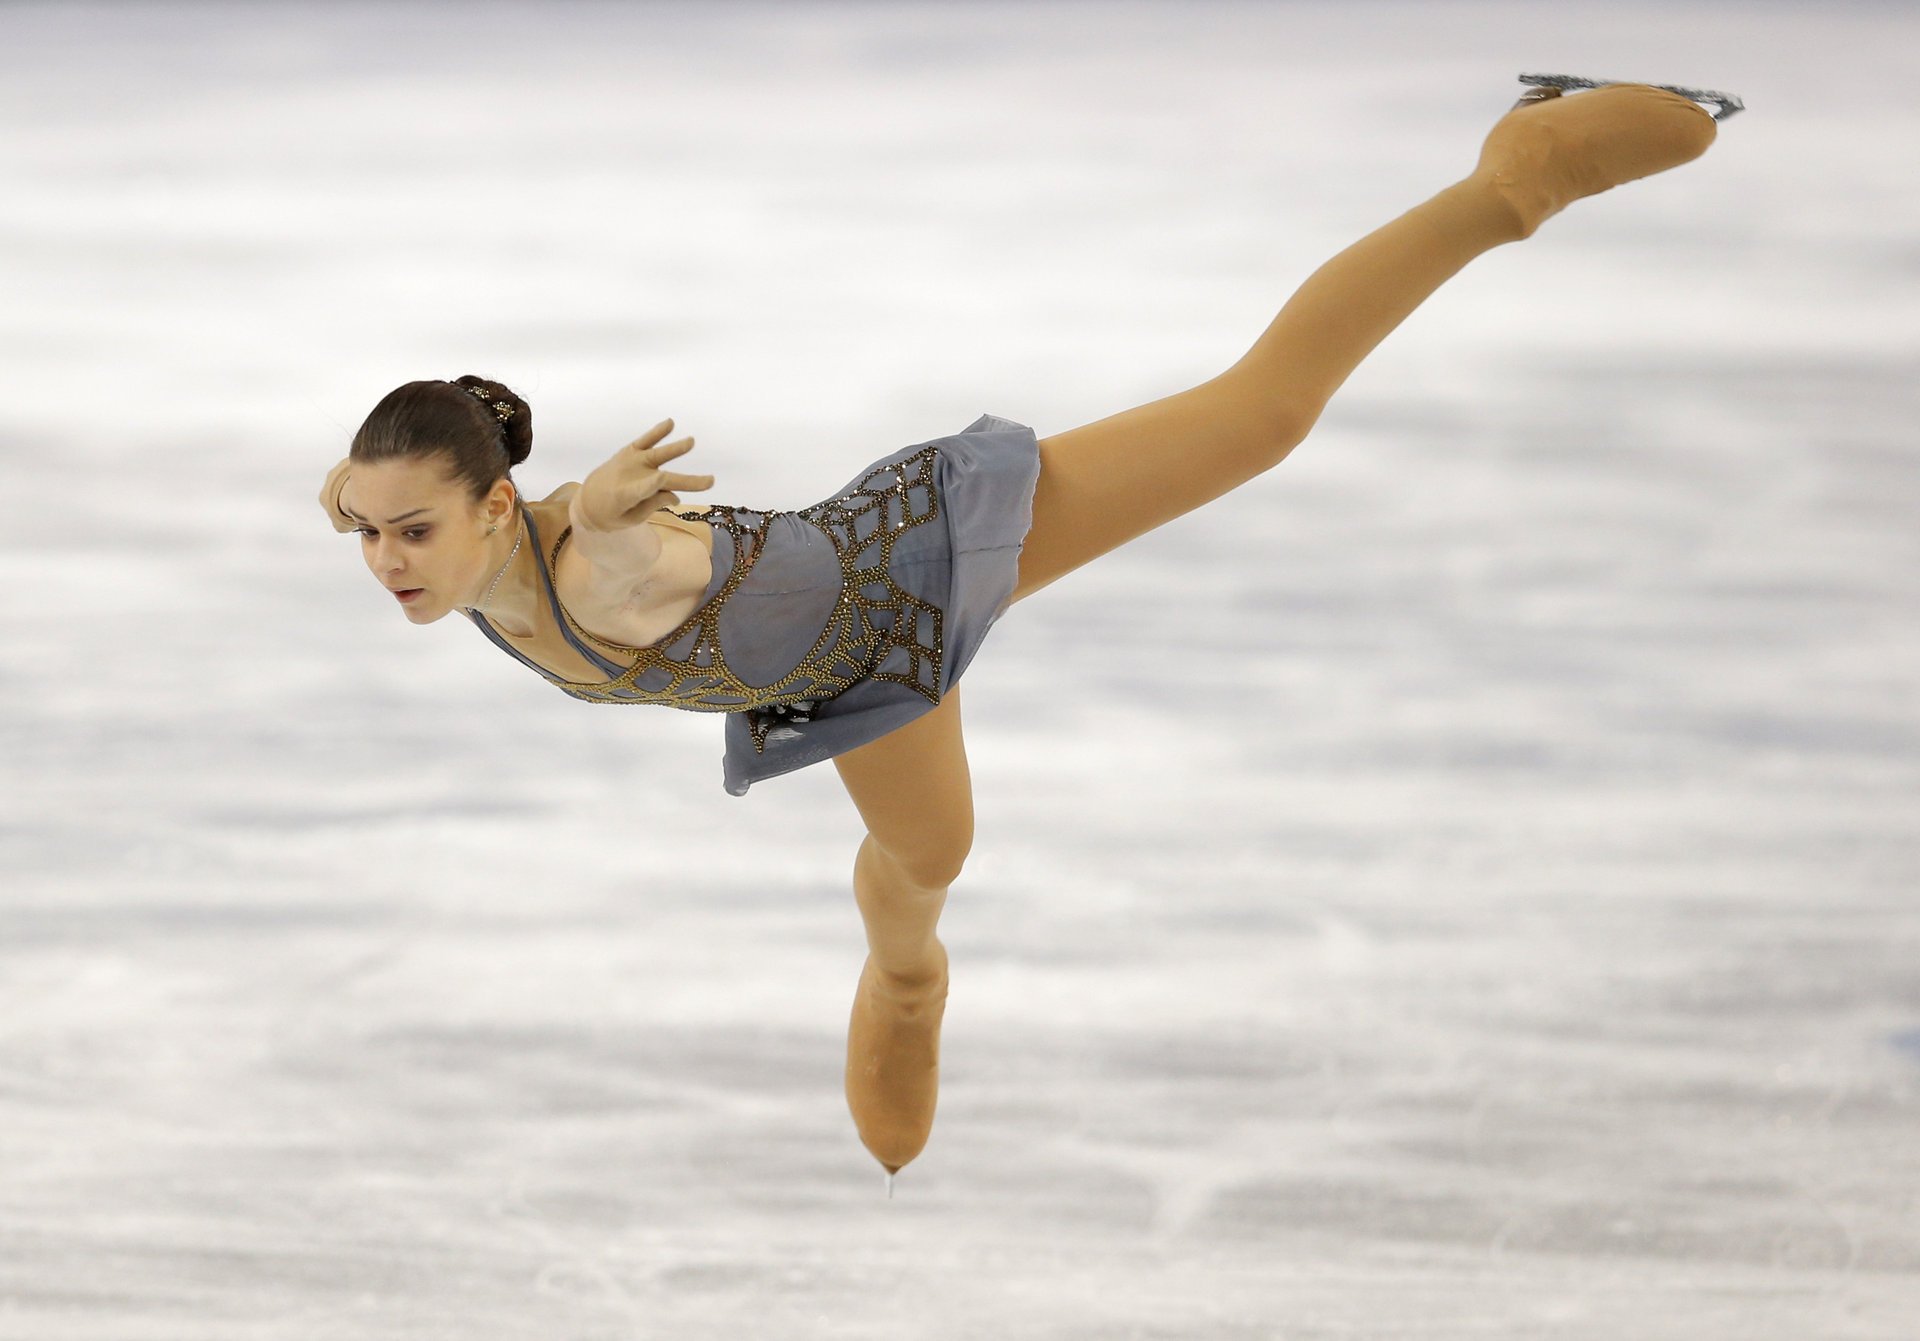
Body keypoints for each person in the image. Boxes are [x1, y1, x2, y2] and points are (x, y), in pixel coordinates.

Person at [318, 82, 1722, 1183]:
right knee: (929, 859)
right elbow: (372, 485)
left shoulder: (608, 557)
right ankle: (911, 980)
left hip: (915, 555)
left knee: (1263, 415)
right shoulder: (431, 540)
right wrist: (375, 496)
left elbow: (630, 541)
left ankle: (1515, 178)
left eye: (414, 531)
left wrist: (619, 506)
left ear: (502, 507)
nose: (385, 561)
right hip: (854, 673)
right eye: (368, 531)